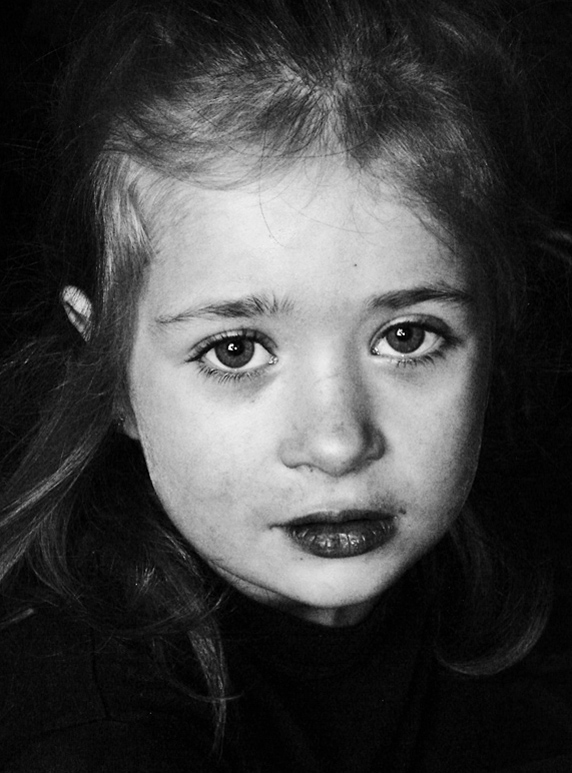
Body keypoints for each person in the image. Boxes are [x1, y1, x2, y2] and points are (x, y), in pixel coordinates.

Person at [0, 0, 571, 770]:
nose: (336, 443)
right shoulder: (77, 723)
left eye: (407, 337)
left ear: (494, 338)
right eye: (235, 350)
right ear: (111, 374)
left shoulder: (529, 585)